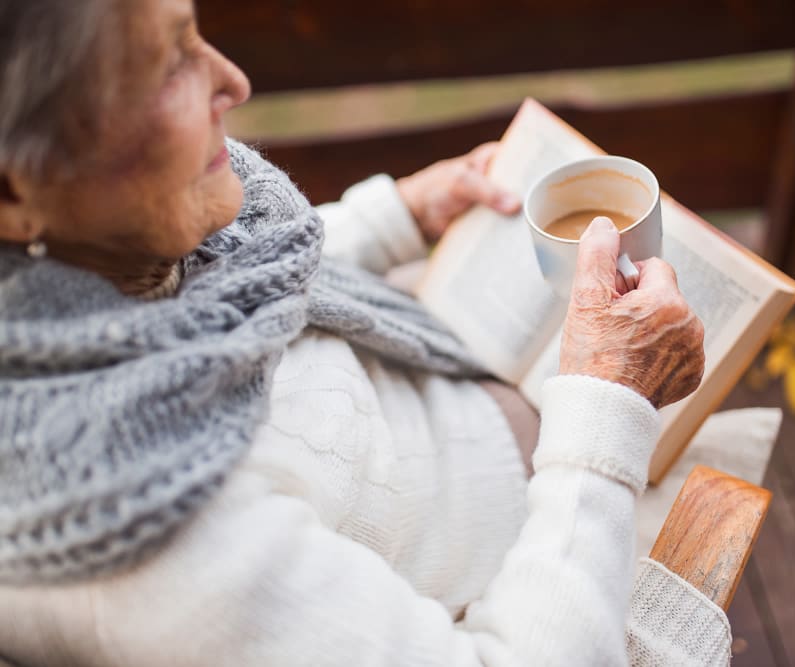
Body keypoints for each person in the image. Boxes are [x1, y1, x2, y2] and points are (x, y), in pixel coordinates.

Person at [0, 1, 728, 665]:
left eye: (196, 33)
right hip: (559, 548)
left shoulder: (100, 264)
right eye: (165, 67)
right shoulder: (145, 546)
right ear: (13, 192)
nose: (234, 82)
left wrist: (398, 218)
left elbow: (214, 293)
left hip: (469, 405)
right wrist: (605, 411)